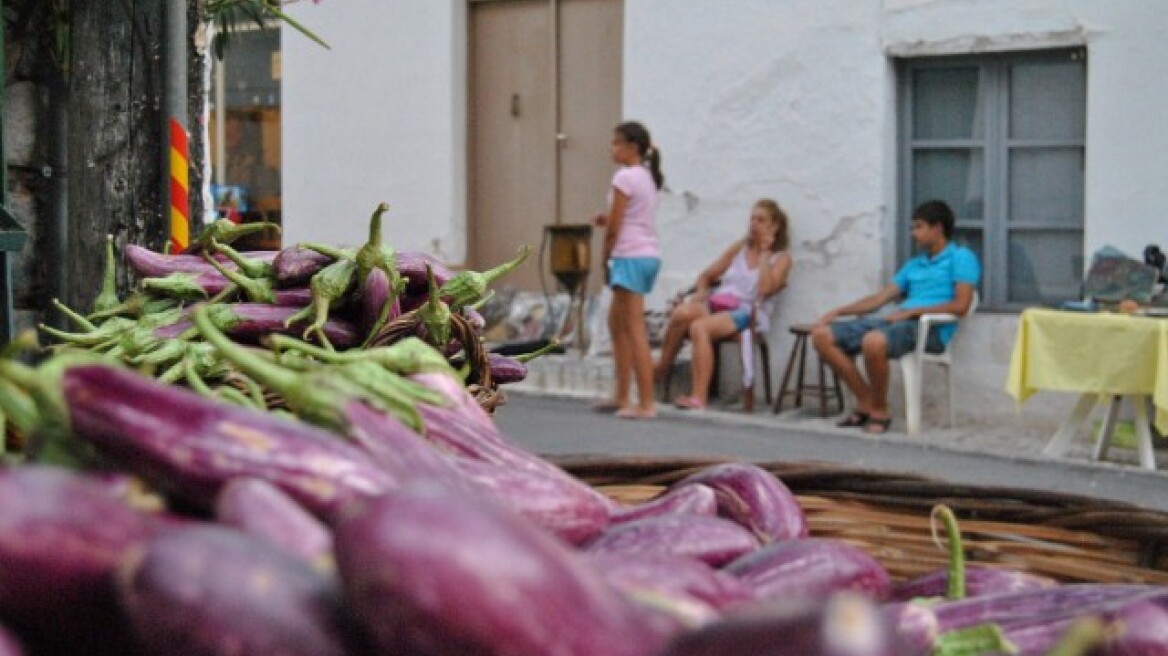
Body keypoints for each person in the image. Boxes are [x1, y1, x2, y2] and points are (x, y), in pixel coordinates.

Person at [810, 200, 980, 434]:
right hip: (896, 322)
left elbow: (961, 305)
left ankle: (880, 410)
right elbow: (880, 298)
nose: (913, 234)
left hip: (929, 329)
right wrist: (839, 311)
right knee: (821, 335)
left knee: (874, 341)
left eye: (919, 227)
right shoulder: (914, 264)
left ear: (938, 228)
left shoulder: (961, 257)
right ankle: (866, 400)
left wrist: (913, 312)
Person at [655, 199, 793, 411]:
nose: (754, 224)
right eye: (752, 218)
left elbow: (765, 290)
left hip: (747, 313)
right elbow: (707, 275)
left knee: (699, 327)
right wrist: (701, 293)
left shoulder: (781, 259)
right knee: (683, 313)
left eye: (761, 220)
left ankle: (698, 397)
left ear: (774, 226)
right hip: (720, 303)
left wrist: (765, 256)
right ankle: (662, 369)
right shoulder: (740, 248)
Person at [590, 121, 665, 419]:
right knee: (616, 323)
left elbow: (618, 227)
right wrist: (605, 219)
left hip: (629, 255)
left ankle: (646, 402)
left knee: (634, 328)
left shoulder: (624, 177)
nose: (612, 148)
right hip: (646, 254)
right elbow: (628, 216)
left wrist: (605, 258)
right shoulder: (647, 177)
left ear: (632, 148)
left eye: (616, 143)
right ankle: (622, 394)